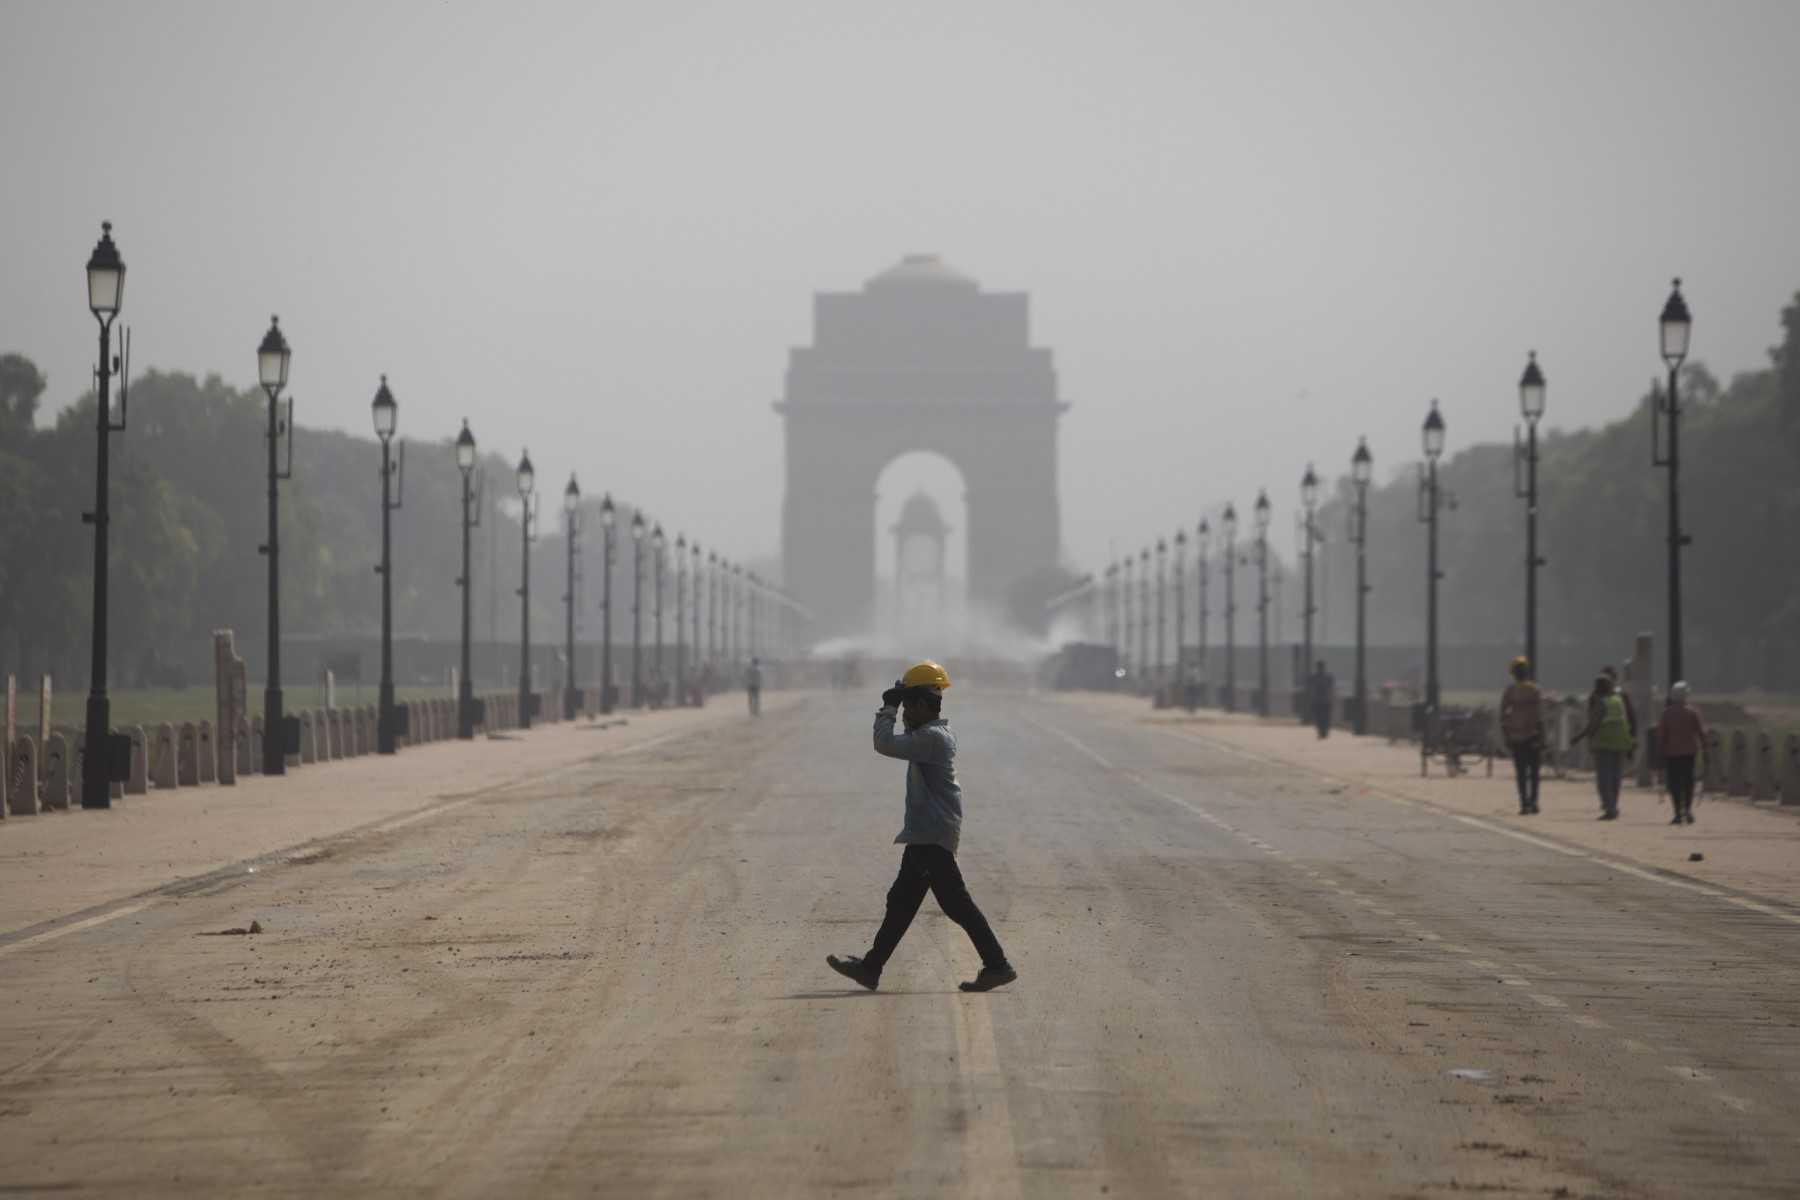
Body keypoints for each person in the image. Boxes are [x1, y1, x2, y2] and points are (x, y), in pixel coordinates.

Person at [827, 660, 1016, 993]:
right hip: (927, 834)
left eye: (907, 707)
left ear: (922, 706)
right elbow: (906, 733)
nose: (902, 715)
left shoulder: (932, 738)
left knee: (956, 904)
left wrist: (887, 706)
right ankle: (871, 968)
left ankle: (997, 965)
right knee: (901, 901)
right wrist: (905, 697)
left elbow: (884, 744)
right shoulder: (932, 733)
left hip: (932, 836)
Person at [1572, 673, 1633, 820]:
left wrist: (1578, 737)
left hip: (1604, 743)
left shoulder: (1602, 703)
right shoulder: (1618, 701)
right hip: (1620, 743)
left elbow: (1593, 725)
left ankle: (1609, 808)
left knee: (1604, 779)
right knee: (1615, 778)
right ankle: (1614, 806)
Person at [1655, 681, 1707, 825]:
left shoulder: (1667, 713)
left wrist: (1659, 753)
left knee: (1674, 784)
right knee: (1688, 782)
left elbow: (1661, 736)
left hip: (1671, 754)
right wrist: (1705, 748)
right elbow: (1701, 733)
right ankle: (1688, 810)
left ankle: (1678, 812)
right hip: (1689, 753)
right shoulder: (1692, 712)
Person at [1499, 656, 1545, 815]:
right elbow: (1540, 716)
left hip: (1516, 736)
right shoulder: (1535, 690)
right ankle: (1533, 801)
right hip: (1532, 735)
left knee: (1521, 773)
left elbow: (1503, 716)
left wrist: (1506, 735)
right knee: (1533, 772)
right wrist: (1542, 737)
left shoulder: (1510, 691)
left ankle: (1524, 803)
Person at [1308, 660, 1335, 739]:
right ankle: (1322, 732)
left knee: (1323, 718)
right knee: (1321, 718)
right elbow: (1331, 689)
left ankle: (1323, 732)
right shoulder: (1325, 677)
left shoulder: (1324, 677)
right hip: (1320, 701)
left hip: (1323, 701)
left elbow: (1331, 689)